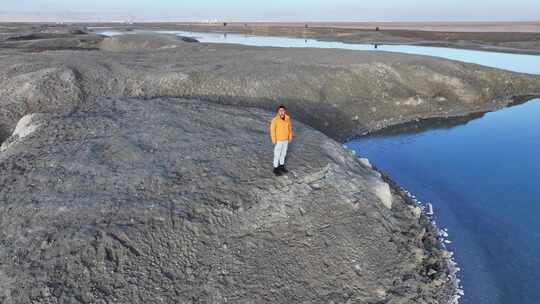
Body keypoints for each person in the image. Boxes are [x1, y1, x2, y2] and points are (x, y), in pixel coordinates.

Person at [269, 105, 293, 176]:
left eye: (283, 110)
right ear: (278, 111)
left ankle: (281, 166)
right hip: (279, 140)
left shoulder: (287, 119)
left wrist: (290, 137)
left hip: (285, 140)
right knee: (277, 154)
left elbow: (290, 129)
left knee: (283, 154)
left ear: (285, 111)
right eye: (280, 110)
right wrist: (274, 140)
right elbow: (272, 130)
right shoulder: (275, 120)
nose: (281, 112)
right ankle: (275, 168)